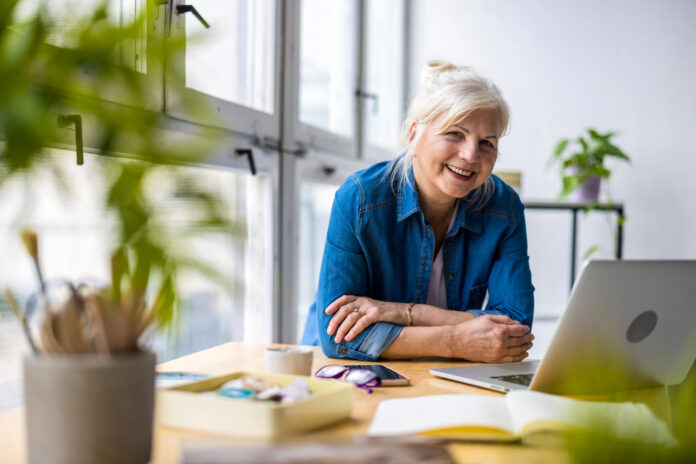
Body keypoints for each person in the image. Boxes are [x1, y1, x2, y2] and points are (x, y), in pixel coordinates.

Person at [300, 62, 535, 362]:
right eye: (455, 134)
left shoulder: (504, 207)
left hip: (439, 371)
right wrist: (454, 340)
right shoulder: (360, 198)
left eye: (486, 143)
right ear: (414, 134)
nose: (471, 155)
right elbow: (339, 339)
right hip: (344, 369)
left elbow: (515, 329)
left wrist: (401, 312)